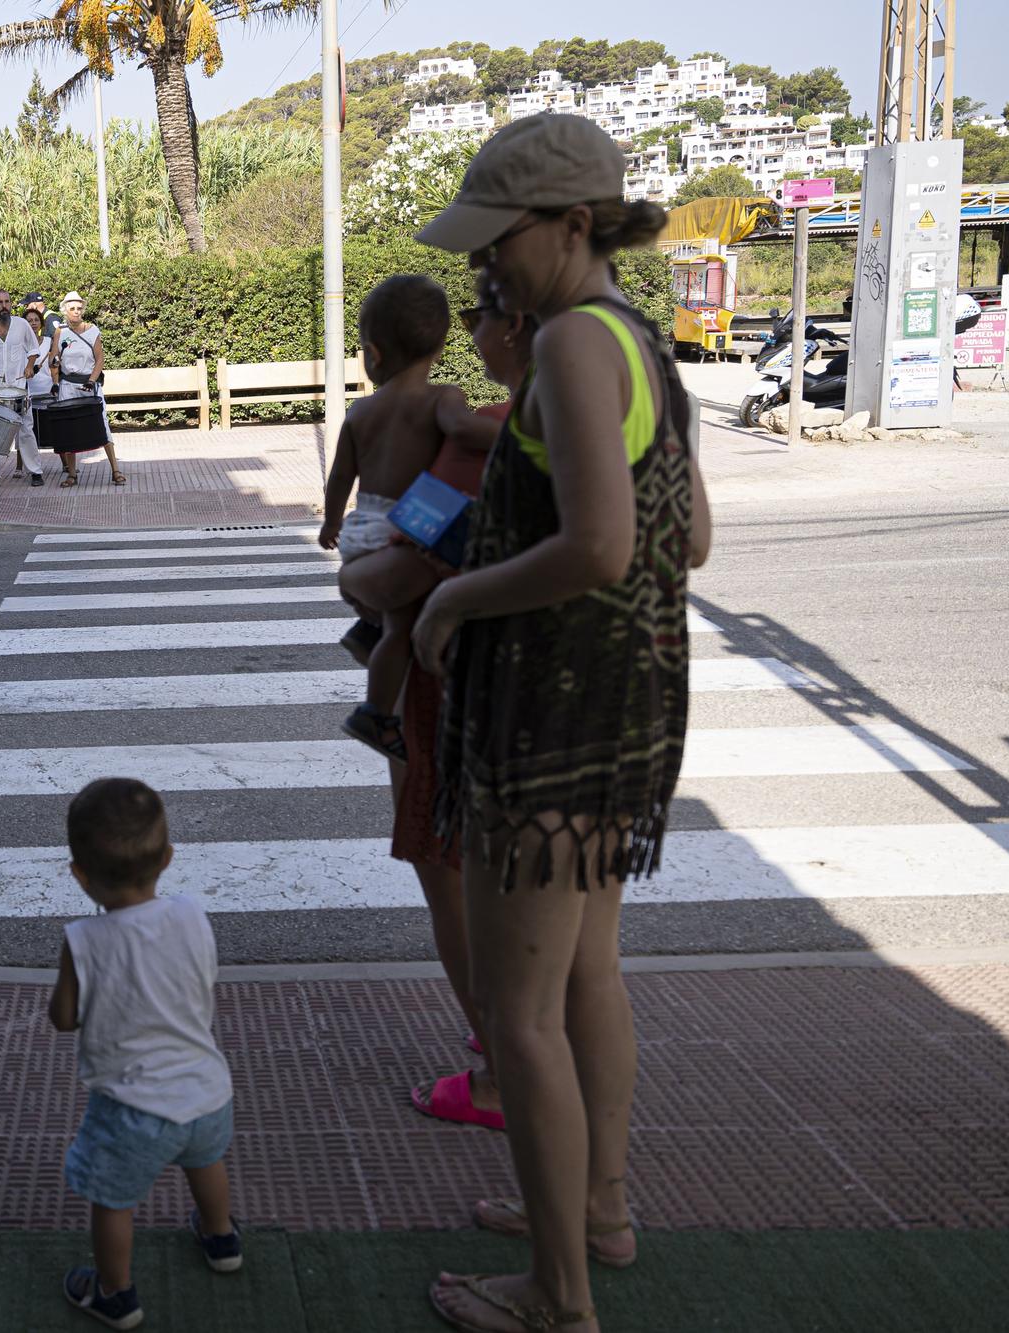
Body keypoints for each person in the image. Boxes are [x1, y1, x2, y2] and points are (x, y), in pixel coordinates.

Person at [412, 114, 712, 1332]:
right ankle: (597, 1212)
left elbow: (599, 542)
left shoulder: (572, 346)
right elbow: (686, 537)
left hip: (548, 715)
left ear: (574, 226)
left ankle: (556, 1297)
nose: (488, 268)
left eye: (502, 241)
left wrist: (453, 592)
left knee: (519, 1013)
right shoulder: (641, 341)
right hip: (625, 710)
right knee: (587, 974)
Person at [400, 273, 528, 1137]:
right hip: (557, 692)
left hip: (458, 692)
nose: (471, 330)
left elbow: (400, 553)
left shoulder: (485, 434)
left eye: (478, 313)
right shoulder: (631, 419)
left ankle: (497, 1069)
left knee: (452, 875)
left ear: (514, 325)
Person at [50, 779, 240, 1331]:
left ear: (79, 874)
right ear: (169, 857)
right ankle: (221, 1238)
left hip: (133, 1106)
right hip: (206, 1090)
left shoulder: (84, 939)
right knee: (206, 1162)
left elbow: (64, 1018)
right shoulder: (191, 915)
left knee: (112, 1200)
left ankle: (115, 1293)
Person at [318, 275, 458, 762]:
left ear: (372, 355)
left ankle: (365, 635)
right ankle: (376, 713)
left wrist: (330, 524)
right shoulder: (443, 399)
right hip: (402, 527)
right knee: (404, 626)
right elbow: (465, 432)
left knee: (389, 618)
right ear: (439, 350)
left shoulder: (361, 412)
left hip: (363, 525)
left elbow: (340, 478)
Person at [50, 292, 125, 487]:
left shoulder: (92, 330)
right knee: (70, 428)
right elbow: (53, 359)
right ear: (65, 310)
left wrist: (92, 381)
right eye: (72, 308)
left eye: (79, 308)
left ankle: (115, 470)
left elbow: (100, 359)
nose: (76, 312)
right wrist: (55, 371)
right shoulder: (60, 332)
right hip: (68, 385)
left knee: (102, 424)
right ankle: (72, 474)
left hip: (89, 385)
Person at [0, 289, 47, 486]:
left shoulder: (22, 325)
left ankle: (35, 471)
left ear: (11, 304)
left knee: (25, 430)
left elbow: (33, 350)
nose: (4, 305)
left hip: (19, 385)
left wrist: (30, 366)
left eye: (7, 301)